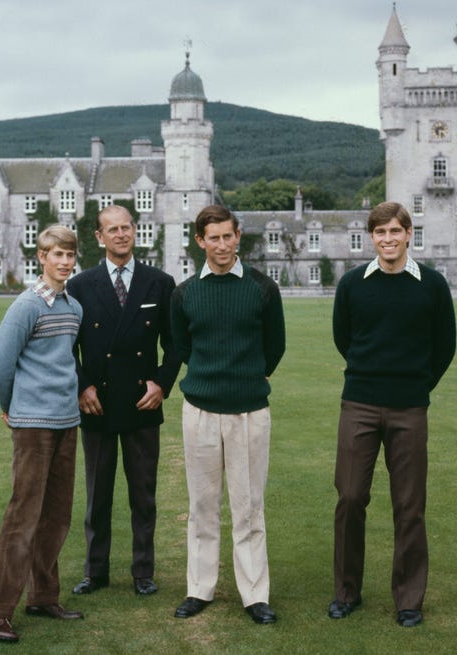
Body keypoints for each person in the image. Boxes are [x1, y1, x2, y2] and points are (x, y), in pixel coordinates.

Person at [329, 201, 456, 628]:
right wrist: (372, 376)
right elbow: (343, 339)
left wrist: (416, 386)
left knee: (409, 504)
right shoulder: (352, 285)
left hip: (409, 407)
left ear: (408, 234)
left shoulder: (432, 285)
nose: (388, 239)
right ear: (372, 237)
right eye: (380, 232)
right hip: (360, 403)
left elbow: (445, 346)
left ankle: (408, 599)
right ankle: (346, 592)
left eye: (395, 232)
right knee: (349, 497)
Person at [169, 204, 286, 625]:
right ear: (200, 241)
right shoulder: (184, 293)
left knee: (249, 506)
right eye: (212, 238)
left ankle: (255, 594)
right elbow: (182, 347)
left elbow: (275, 347)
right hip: (199, 409)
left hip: (250, 412)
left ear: (239, 236)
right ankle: (199, 589)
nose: (221, 245)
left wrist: (247, 378)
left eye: (228, 236)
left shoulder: (262, 288)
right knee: (201, 506)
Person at [65, 205, 181, 597]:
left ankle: (142, 571)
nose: (120, 235)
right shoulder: (80, 285)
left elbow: (176, 344)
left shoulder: (160, 282)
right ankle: (95, 572)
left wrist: (162, 384)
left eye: (126, 228)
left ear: (136, 231)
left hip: (142, 402)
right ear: (99, 237)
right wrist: (82, 387)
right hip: (96, 403)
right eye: (111, 230)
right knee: (97, 495)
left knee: (143, 495)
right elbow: (67, 346)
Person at [0, 225, 84, 644]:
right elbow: (0, 368)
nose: (63, 262)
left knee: (57, 516)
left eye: (69, 255)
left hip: (67, 421)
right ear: (41, 257)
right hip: (32, 425)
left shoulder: (73, 307)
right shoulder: (25, 307)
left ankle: (43, 597)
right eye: (56, 254)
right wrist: (10, 409)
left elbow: (66, 363)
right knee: (23, 516)